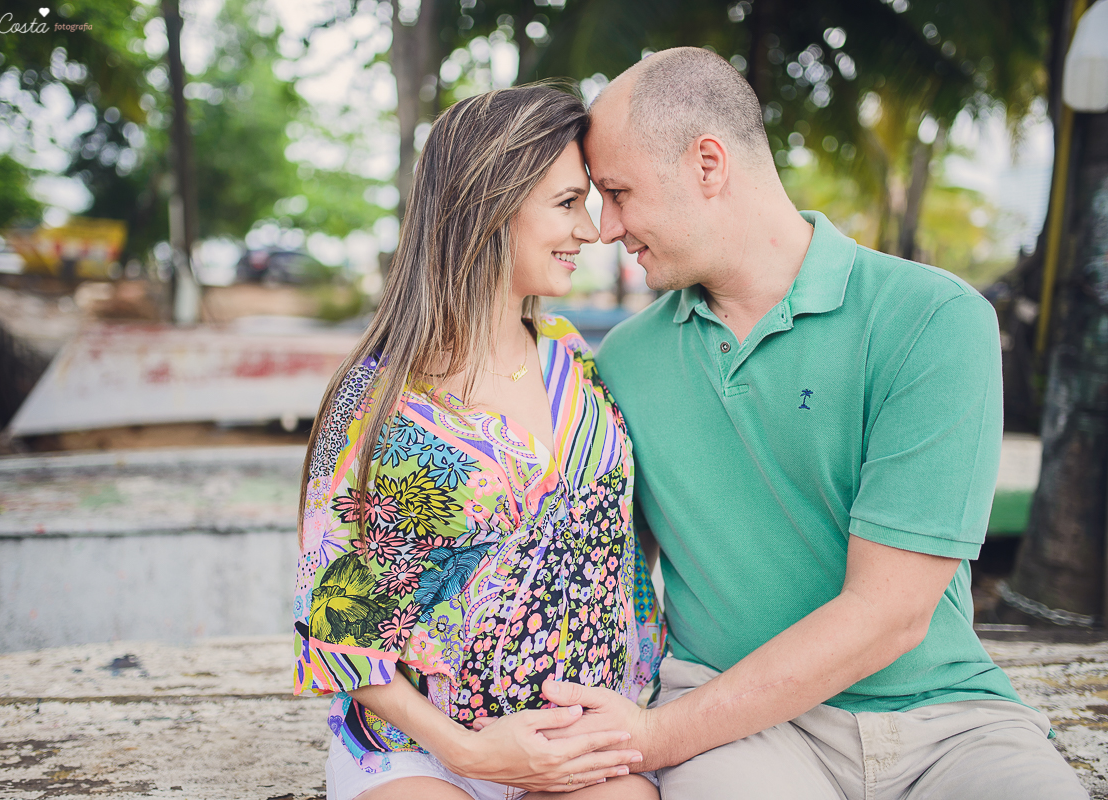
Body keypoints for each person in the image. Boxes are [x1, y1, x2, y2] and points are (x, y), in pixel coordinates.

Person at [526, 47, 1089, 799]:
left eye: (620, 193)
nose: (607, 229)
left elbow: (889, 615)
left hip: (949, 723)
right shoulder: (621, 360)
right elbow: (589, 560)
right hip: (734, 727)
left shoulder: (934, 320)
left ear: (709, 163)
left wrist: (655, 734)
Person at [292, 84, 665, 800]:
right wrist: (474, 756)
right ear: (490, 205)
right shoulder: (380, 401)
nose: (590, 230)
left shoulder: (581, 366)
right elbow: (340, 634)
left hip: (582, 740)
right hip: (422, 748)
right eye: (566, 204)